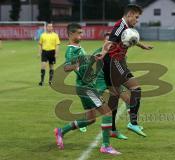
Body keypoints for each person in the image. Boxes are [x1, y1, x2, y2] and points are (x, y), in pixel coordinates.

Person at [54, 23, 121, 155]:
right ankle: (106, 146)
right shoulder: (71, 50)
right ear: (71, 34)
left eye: (82, 33)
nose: (82, 35)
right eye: (79, 33)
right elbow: (67, 67)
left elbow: (83, 65)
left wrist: (92, 59)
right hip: (86, 88)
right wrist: (80, 62)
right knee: (107, 112)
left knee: (90, 119)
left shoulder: (78, 48)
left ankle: (61, 131)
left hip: (84, 86)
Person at [97, 4, 153, 137]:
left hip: (117, 62)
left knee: (114, 97)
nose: (137, 20)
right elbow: (109, 42)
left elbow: (132, 39)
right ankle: (133, 123)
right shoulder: (120, 26)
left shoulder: (128, 26)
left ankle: (113, 130)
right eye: (136, 17)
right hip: (113, 62)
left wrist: (142, 46)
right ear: (129, 15)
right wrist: (103, 54)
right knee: (136, 88)